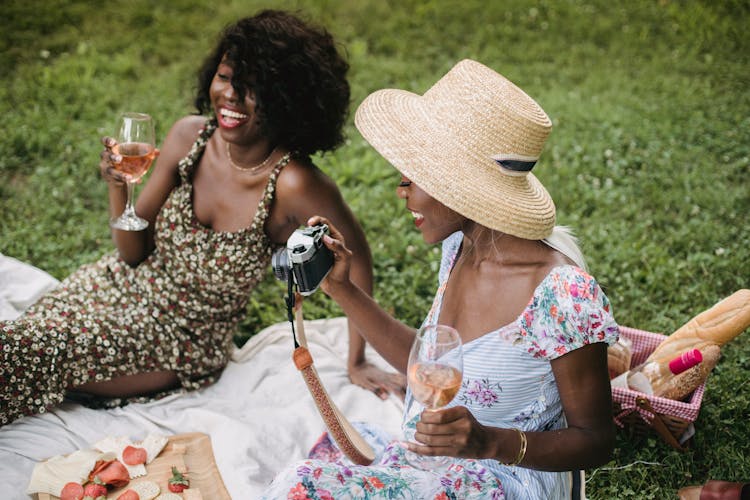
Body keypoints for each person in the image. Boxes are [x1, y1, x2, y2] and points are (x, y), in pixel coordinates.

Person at [0, 9, 404, 427]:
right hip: (113, 286)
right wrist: (119, 185)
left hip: (178, 339)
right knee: (18, 342)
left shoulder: (294, 183)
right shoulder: (189, 136)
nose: (231, 95)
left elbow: (355, 262)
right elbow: (132, 252)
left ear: (288, 98)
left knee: (33, 352)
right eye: (226, 77)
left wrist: (357, 360)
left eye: (253, 88)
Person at [262, 59, 620, 499]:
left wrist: (490, 441)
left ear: (462, 184)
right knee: (300, 484)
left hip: (502, 480)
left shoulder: (564, 296)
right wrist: (343, 289)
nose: (402, 188)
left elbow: (596, 439)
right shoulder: (459, 248)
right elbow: (427, 367)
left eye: (418, 175)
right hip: (430, 463)